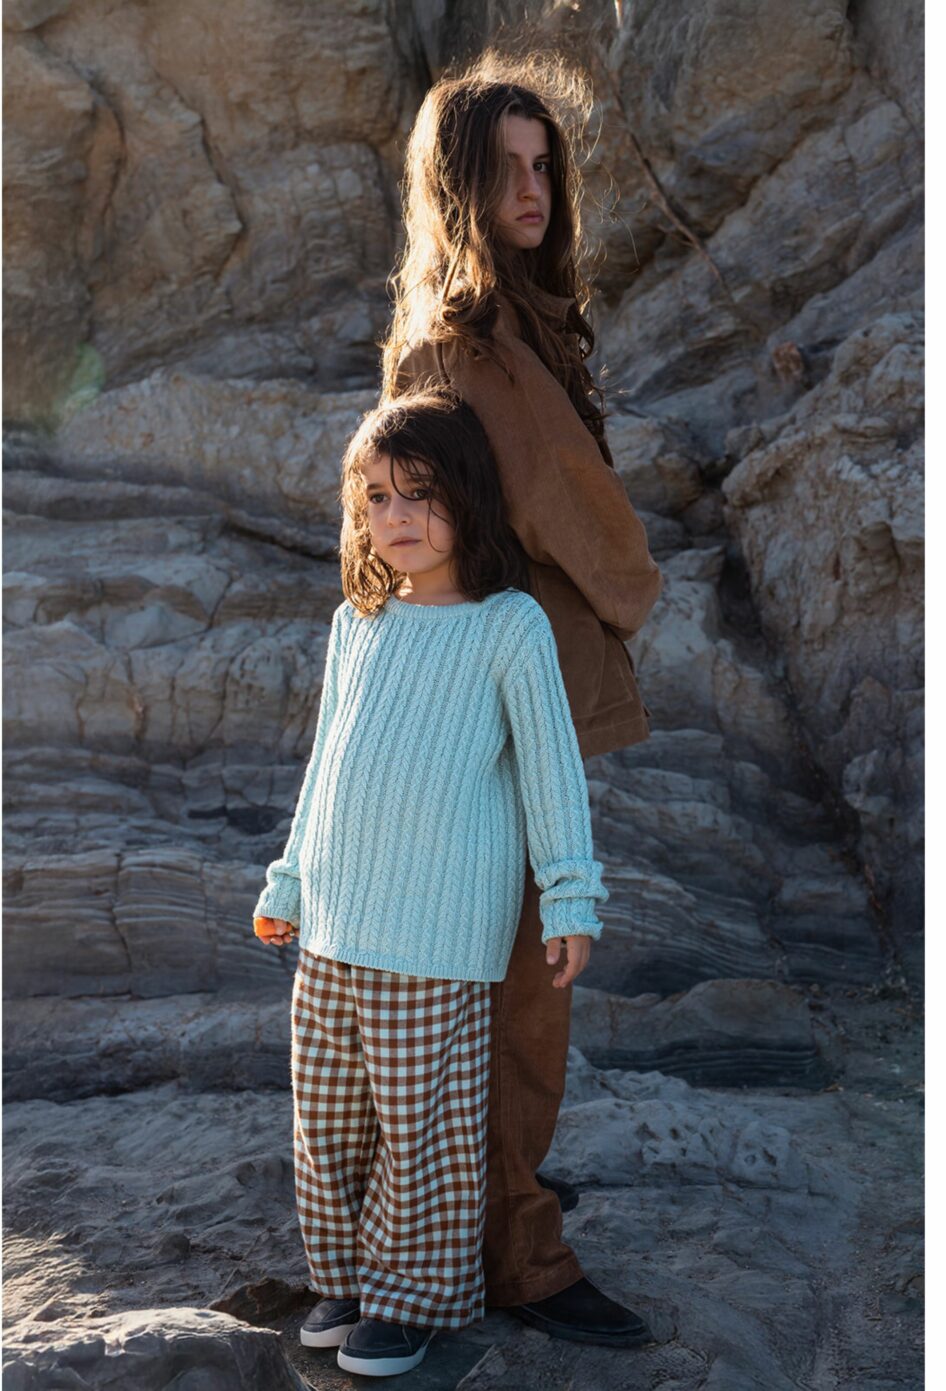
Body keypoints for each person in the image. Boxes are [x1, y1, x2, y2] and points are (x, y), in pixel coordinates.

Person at [377, 49, 663, 1346]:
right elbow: (573, 511)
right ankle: (520, 1253)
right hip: (509, 705)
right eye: (509, 171)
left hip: (499, 697)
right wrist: (634, 584)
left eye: (546, 167)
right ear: (463, 186)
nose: (536, 190)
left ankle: (494, 1202)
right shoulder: (477, 347)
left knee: (503, 973)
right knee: (525, 982)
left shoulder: (492, 329)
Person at [253, 387, 607, 1377]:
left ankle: (411, 1299)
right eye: (375, 498)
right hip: (332, 924)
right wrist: (286, 879)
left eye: (419, 494)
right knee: (326, 1117)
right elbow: (327, 765)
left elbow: (549, 771)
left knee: (423, 1128)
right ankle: (347, 1277)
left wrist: (572, 895)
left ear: (467, 502)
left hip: (439, 932)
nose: (396, 517)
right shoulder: (356, 622)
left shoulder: (509, 626)